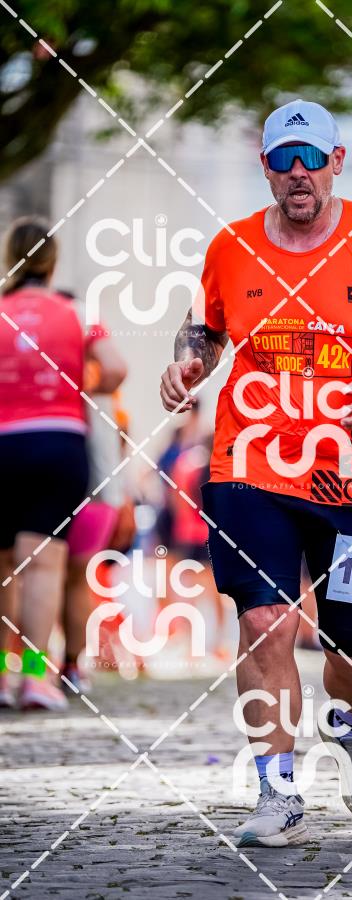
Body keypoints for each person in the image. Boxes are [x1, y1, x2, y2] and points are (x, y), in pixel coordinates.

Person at [160, 99, 352, 846]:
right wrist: (187, 361)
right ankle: (276, 789)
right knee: (264, 620)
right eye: (283, 159)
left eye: (311, 157)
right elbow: (205, 326)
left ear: (335, 163)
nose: (298, 172)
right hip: (250, 463)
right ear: (266, 167)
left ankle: (350, 725)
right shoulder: (231, 246)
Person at [0, 217, 126, 710]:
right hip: (58, 440)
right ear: (52, 263)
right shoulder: (77, 311)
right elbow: (115, 368)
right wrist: (78, 386)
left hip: (4, 439)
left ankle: (1, 675)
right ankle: (35, 678)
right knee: (44, 565)